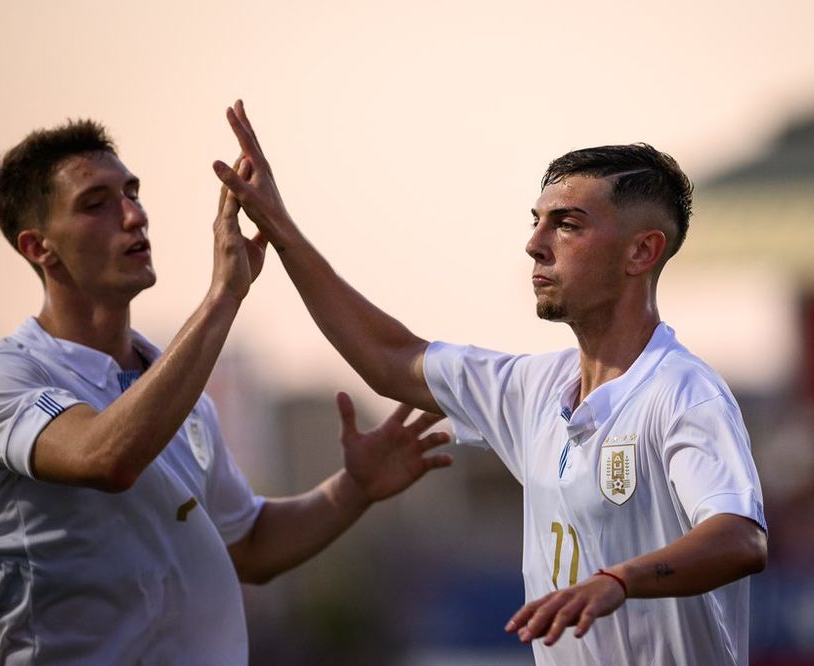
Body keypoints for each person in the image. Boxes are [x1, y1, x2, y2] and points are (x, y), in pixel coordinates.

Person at [215, 100, 769, 665]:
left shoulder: (684, 393)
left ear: (641, 251)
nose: (536, 243)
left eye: (568, 224)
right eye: (538, 221)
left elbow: (740, 539)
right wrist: (280, 231)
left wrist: (620, 580)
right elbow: (388, 357)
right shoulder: (532, 390)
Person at [0, 119, 453, 664]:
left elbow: (248, 547)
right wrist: (224, 295)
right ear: (39, 247)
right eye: (95, 204)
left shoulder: (182, 399)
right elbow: (104, 457)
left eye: (132, 193)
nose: (134, 215)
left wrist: (354, 487)